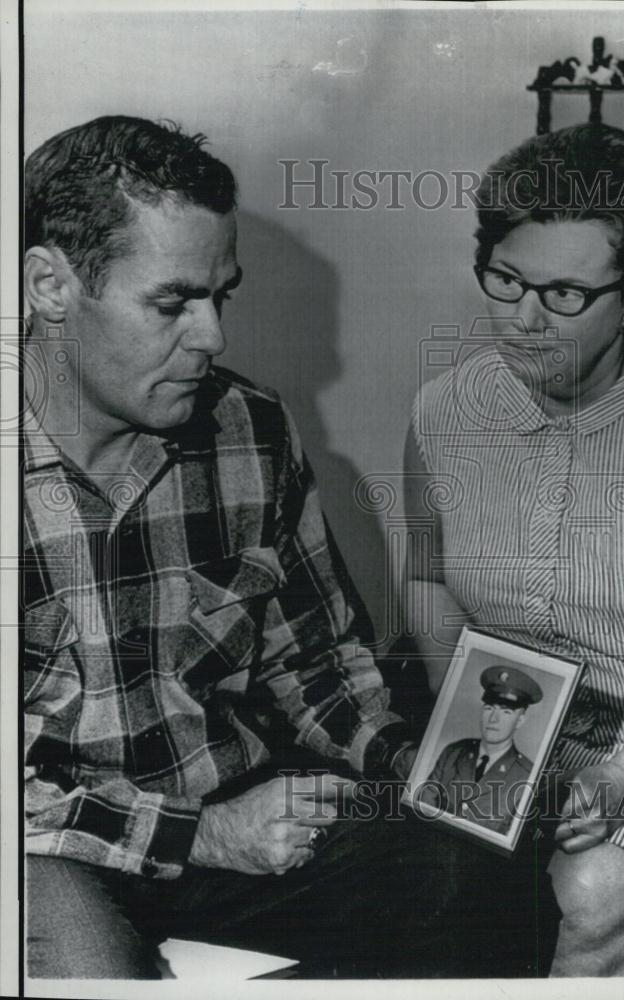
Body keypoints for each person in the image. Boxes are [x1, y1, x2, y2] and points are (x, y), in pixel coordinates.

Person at [22, 115, 558, 980]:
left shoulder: (249, 428)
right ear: (49, 283)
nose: (211, 337)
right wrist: (206, 838)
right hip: (52, 845)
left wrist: (412, 761)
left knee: (478, 883)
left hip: (232, 811)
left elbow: (314, 660)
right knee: (92, 977)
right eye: (172, 303)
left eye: (218, 296)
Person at [404, 123, 624, 976]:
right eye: (505, 279)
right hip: (514, 738)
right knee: (410, 876)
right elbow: (425, 577)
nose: (522, 319)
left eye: (564, 294)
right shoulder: (442, 411)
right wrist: (454, 716)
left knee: (589, 890)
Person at [424, 666, 540, 834]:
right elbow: (425, 802)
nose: (494, 719)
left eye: (506, 712)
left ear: (520, 720)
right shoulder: (453, 752)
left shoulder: (527, 776)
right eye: (489, 708)